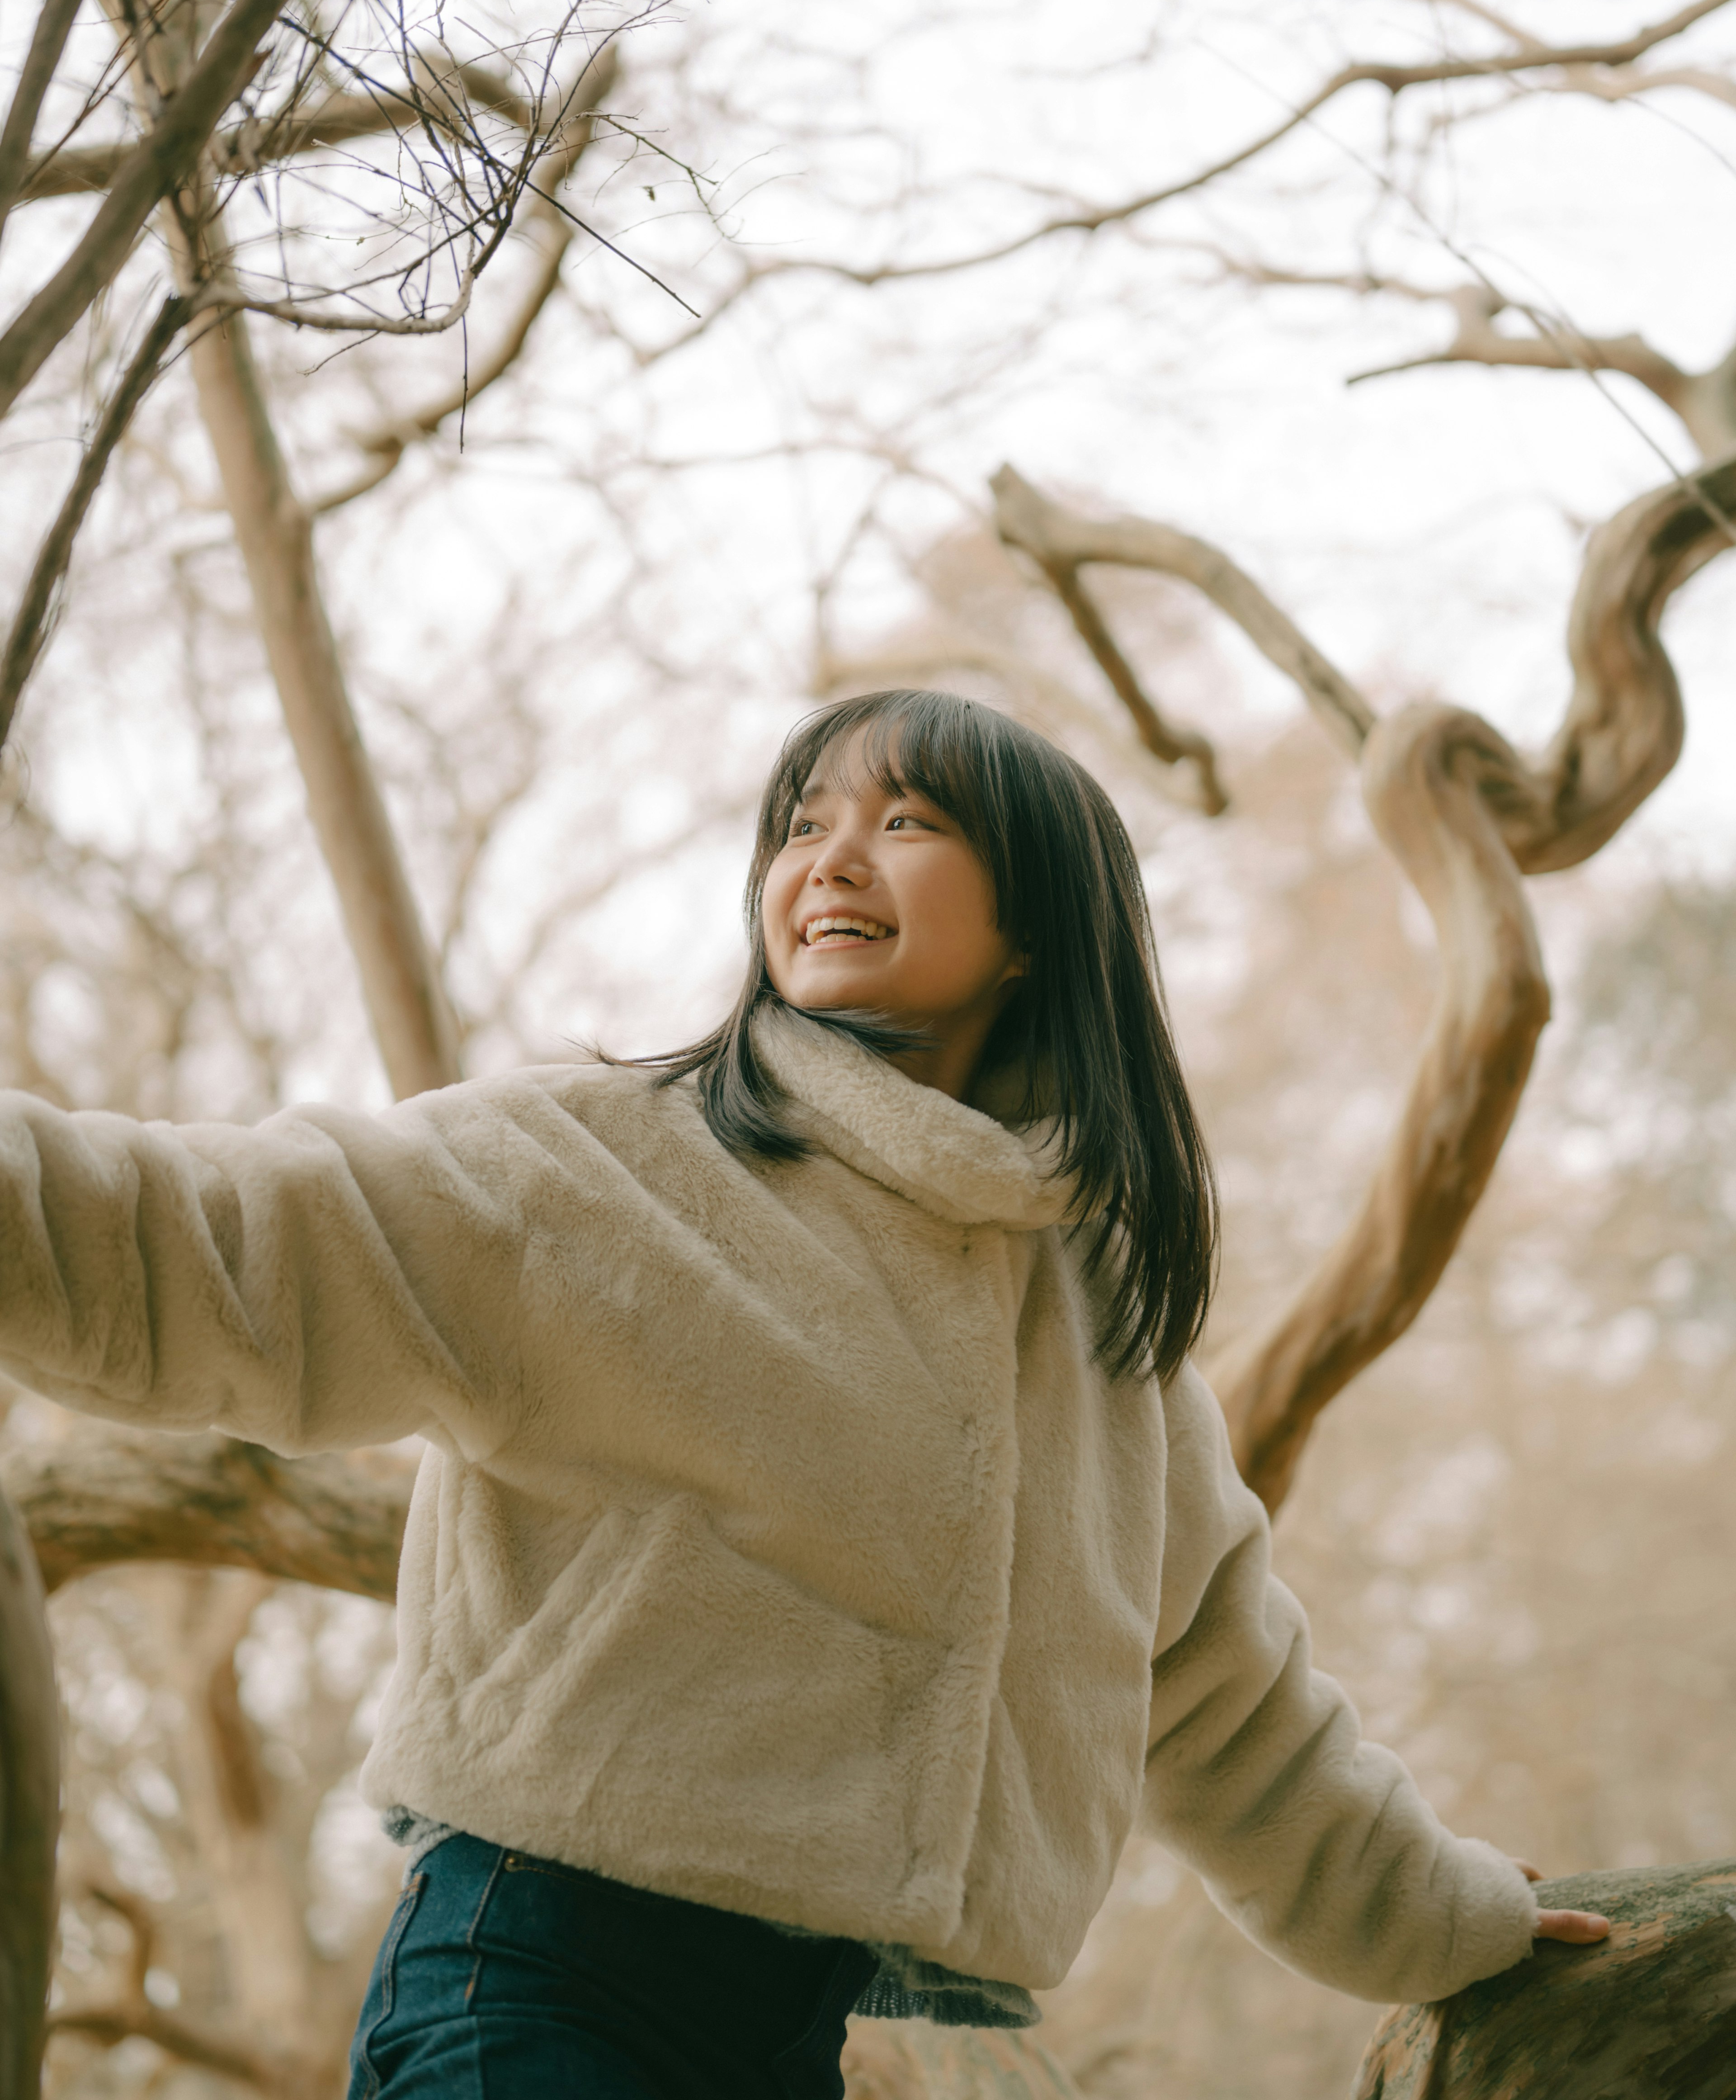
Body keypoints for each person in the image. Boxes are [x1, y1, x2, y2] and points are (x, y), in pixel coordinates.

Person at [0, 689, 1605, 2100]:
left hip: (787, 2045)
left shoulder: (1105, 1339)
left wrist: (1456, 1921)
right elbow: (202, 1243)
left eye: (904, 822)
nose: (826, 858)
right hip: (530, 1988)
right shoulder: (604, 1167)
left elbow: (1234, 1714)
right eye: (802, 823)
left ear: (1039, 922)